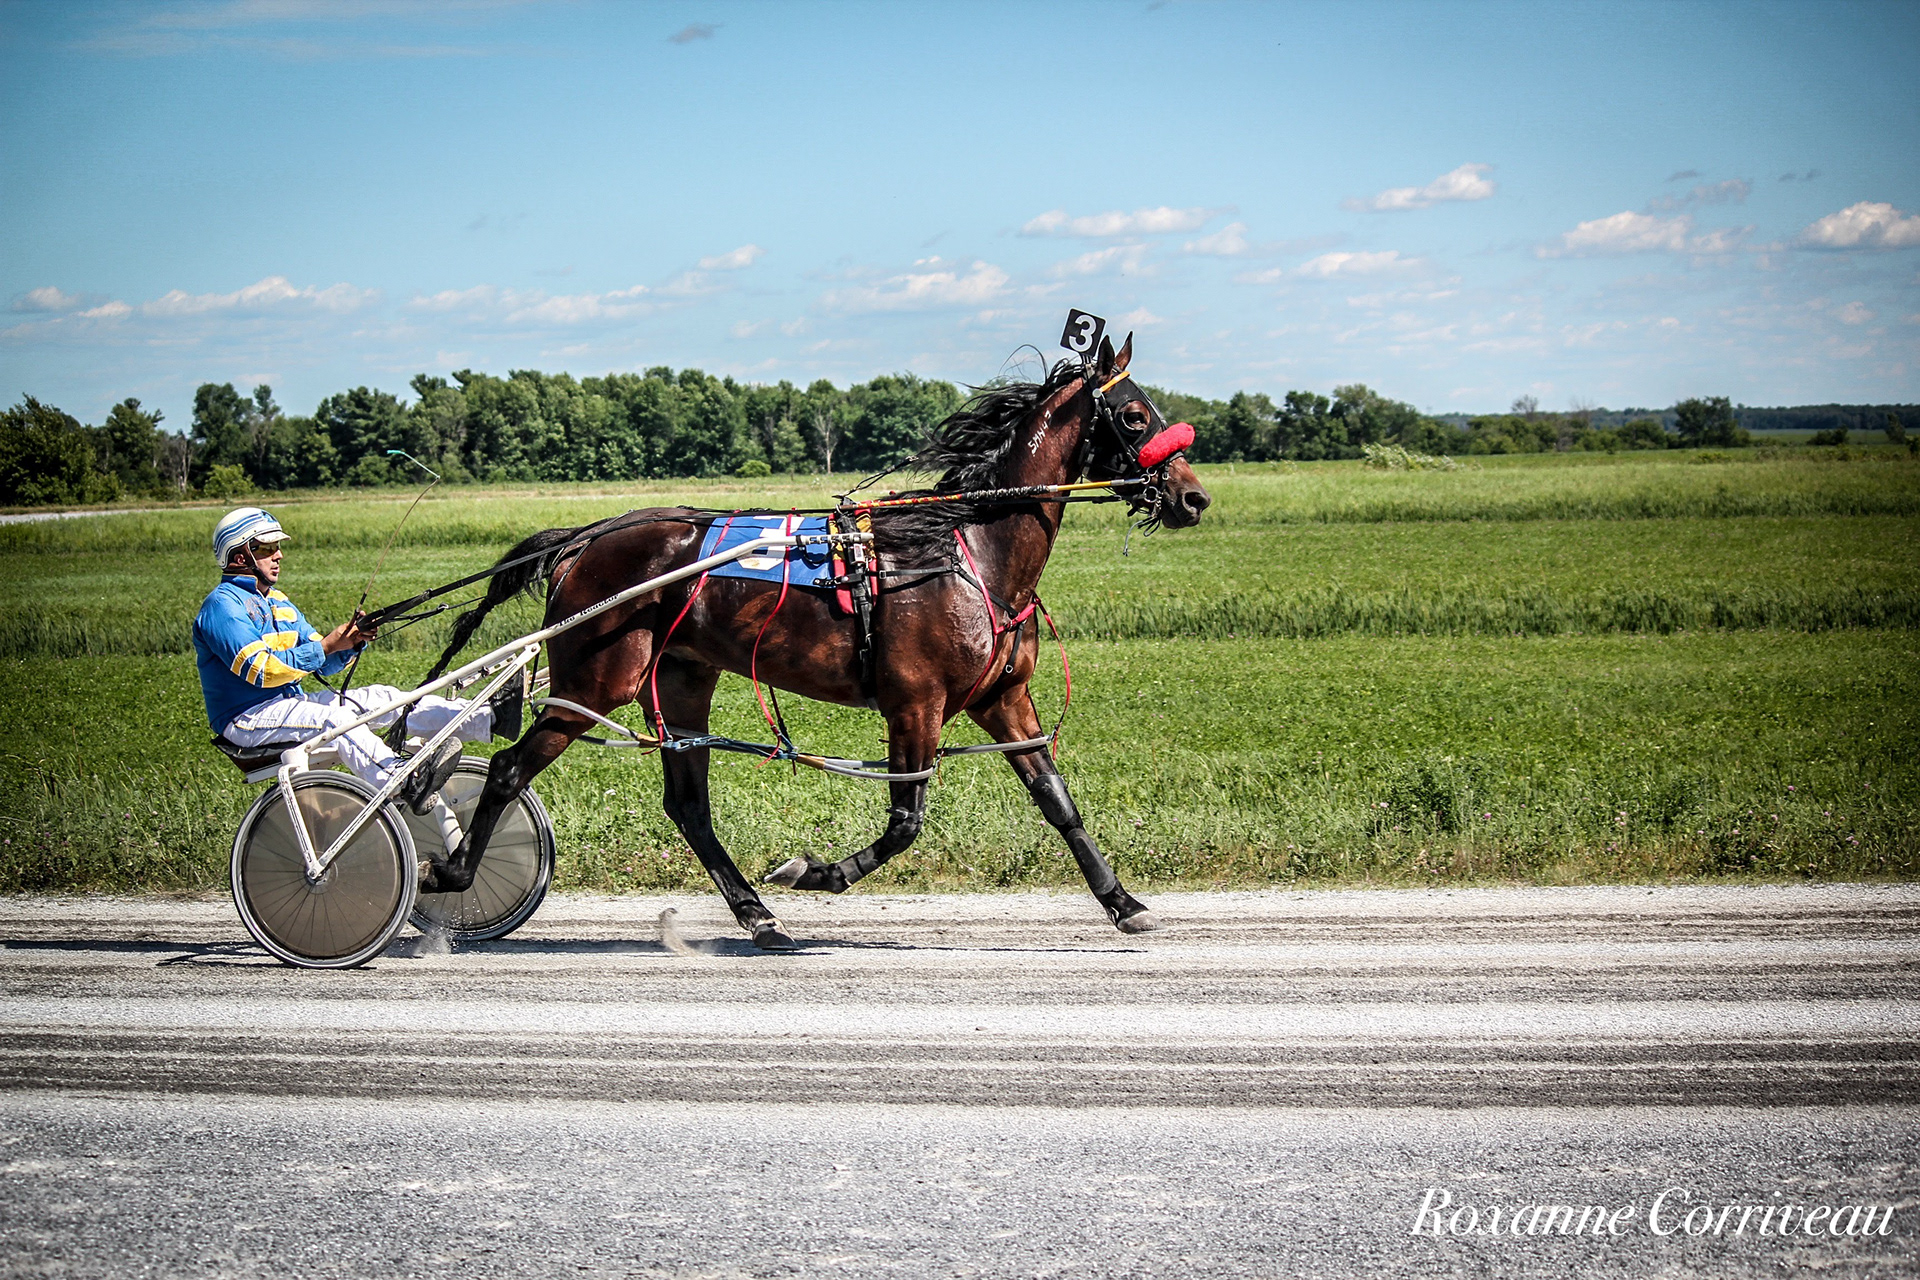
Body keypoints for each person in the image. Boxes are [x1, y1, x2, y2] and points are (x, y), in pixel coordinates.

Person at [193, 507, 521, 827]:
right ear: (238, 557)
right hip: (246, 718)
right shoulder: (222, 607)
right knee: (336, 719)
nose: (278, 555)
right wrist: (327, 645)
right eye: (266, 547)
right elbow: (263, 671)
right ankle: (402, 782)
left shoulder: (278, 601)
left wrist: (348, 643)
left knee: (384, 698)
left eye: (278, 546)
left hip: (289, 705)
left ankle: (488, 719)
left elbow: (323, 661)